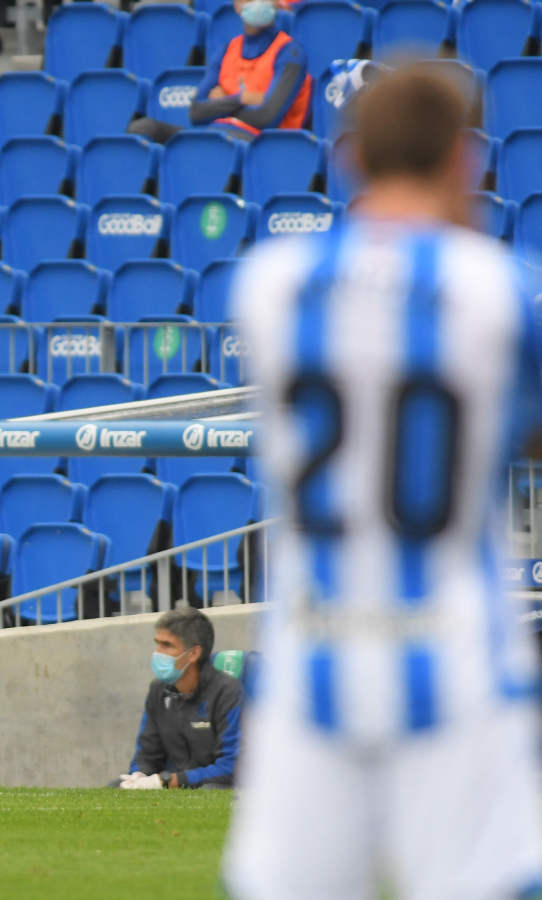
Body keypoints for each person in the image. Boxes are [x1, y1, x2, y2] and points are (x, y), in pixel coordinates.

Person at [220, 65, 542, 900]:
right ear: (466, 162)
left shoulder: (269, 285)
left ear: (349, 156)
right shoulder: (500, 292)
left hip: (314, 660)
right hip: (456, 660)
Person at [129, 0, 311, 144]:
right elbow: (196, 112)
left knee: (218, 142)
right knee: (143, 128)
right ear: (237, 5)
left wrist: (221, 104)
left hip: (263, 146)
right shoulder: (228, 50)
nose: (258, 2)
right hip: (216, 136)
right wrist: (240, 99)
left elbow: (266, 117)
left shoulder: (291, 53)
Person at [117, 608, 243, 791]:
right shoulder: (158, 691)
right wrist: (140, 775)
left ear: (193, 654)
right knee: (116, 788)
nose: (157, 653)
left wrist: (172, 780)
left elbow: (231, 767)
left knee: (209, 791)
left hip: (218, 787)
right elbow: (147, 754)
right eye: (157, 644)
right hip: (172, 786)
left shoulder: (228, 691)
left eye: (167, 645)